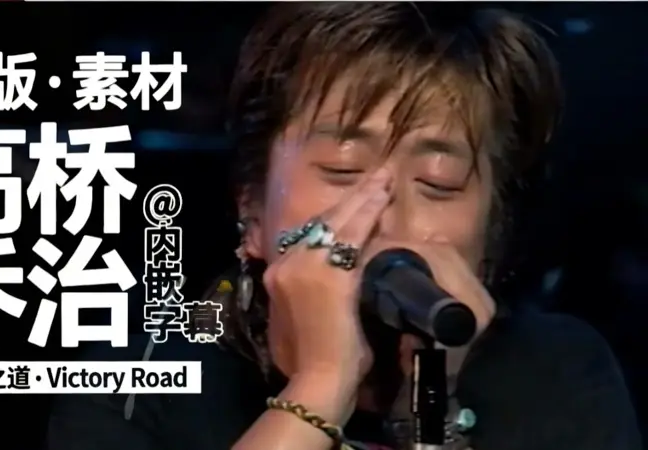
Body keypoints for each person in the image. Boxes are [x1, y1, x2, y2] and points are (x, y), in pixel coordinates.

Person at [45, 4, 642, 450]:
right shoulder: (139, 382)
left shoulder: (561, 373)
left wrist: (429, 408)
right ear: (252, 210)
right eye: (342, 169)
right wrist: (321, 384)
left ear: (492, 232)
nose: (384, 214)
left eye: (438, 182)